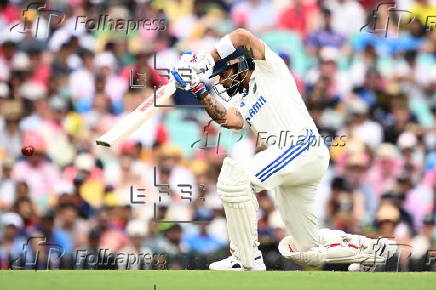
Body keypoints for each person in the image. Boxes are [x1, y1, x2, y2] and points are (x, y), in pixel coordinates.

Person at [171, 28, 396, 271]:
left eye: (223, 73)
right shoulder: (240, 99)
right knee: (302, 249)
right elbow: (228, 120)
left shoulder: (269, 69)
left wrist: (206, 61)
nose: (222, 82)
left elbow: (242, 36)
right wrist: (196, 87)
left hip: (301, 147)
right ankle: (372, 251)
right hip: (296, 162)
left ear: (239, 64)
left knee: (234, 179)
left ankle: (246, 260)